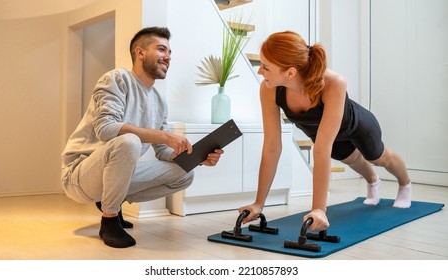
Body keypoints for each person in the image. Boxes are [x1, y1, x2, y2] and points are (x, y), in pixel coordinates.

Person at [61, 27, 223, 248]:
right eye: (161, 49)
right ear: (140, 52)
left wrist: (195, 157)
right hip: (79, 175)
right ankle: (109, 219)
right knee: (128, 140)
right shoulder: (116, 79)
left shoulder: (158, 100)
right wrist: (164, 135)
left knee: (185, 174)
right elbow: (106, 129)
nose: (168, 57)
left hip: (113, 172)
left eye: (170, 52)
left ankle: (110, 200)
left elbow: (162, 151)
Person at [239, 31, 412, 232]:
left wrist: (319, 209)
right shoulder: (269, 88)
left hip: (356, 126)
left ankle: (405, 184)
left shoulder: (333, 82)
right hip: (322, 131)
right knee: (352, 160)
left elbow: (321, 150)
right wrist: (259, 204)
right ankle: (373, 181)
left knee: (378, 157)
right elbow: (271, 147)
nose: (260, 71)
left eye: (266, 67)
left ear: (290, 72)